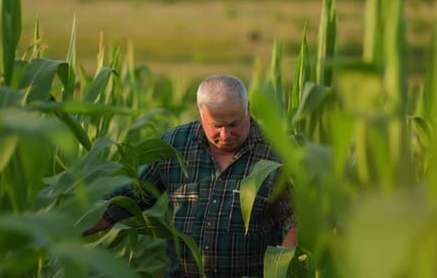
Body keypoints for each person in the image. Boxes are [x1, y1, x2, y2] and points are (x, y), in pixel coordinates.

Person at [83, 75, 297, 278]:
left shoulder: (274, 153)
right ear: (200, 113)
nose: (225, 135)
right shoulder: (176, 144)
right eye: (216, 126)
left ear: (248, 109)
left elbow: (296, 218)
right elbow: (133, 197)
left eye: (234, 124)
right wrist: (72, 227)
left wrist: (279, 269)